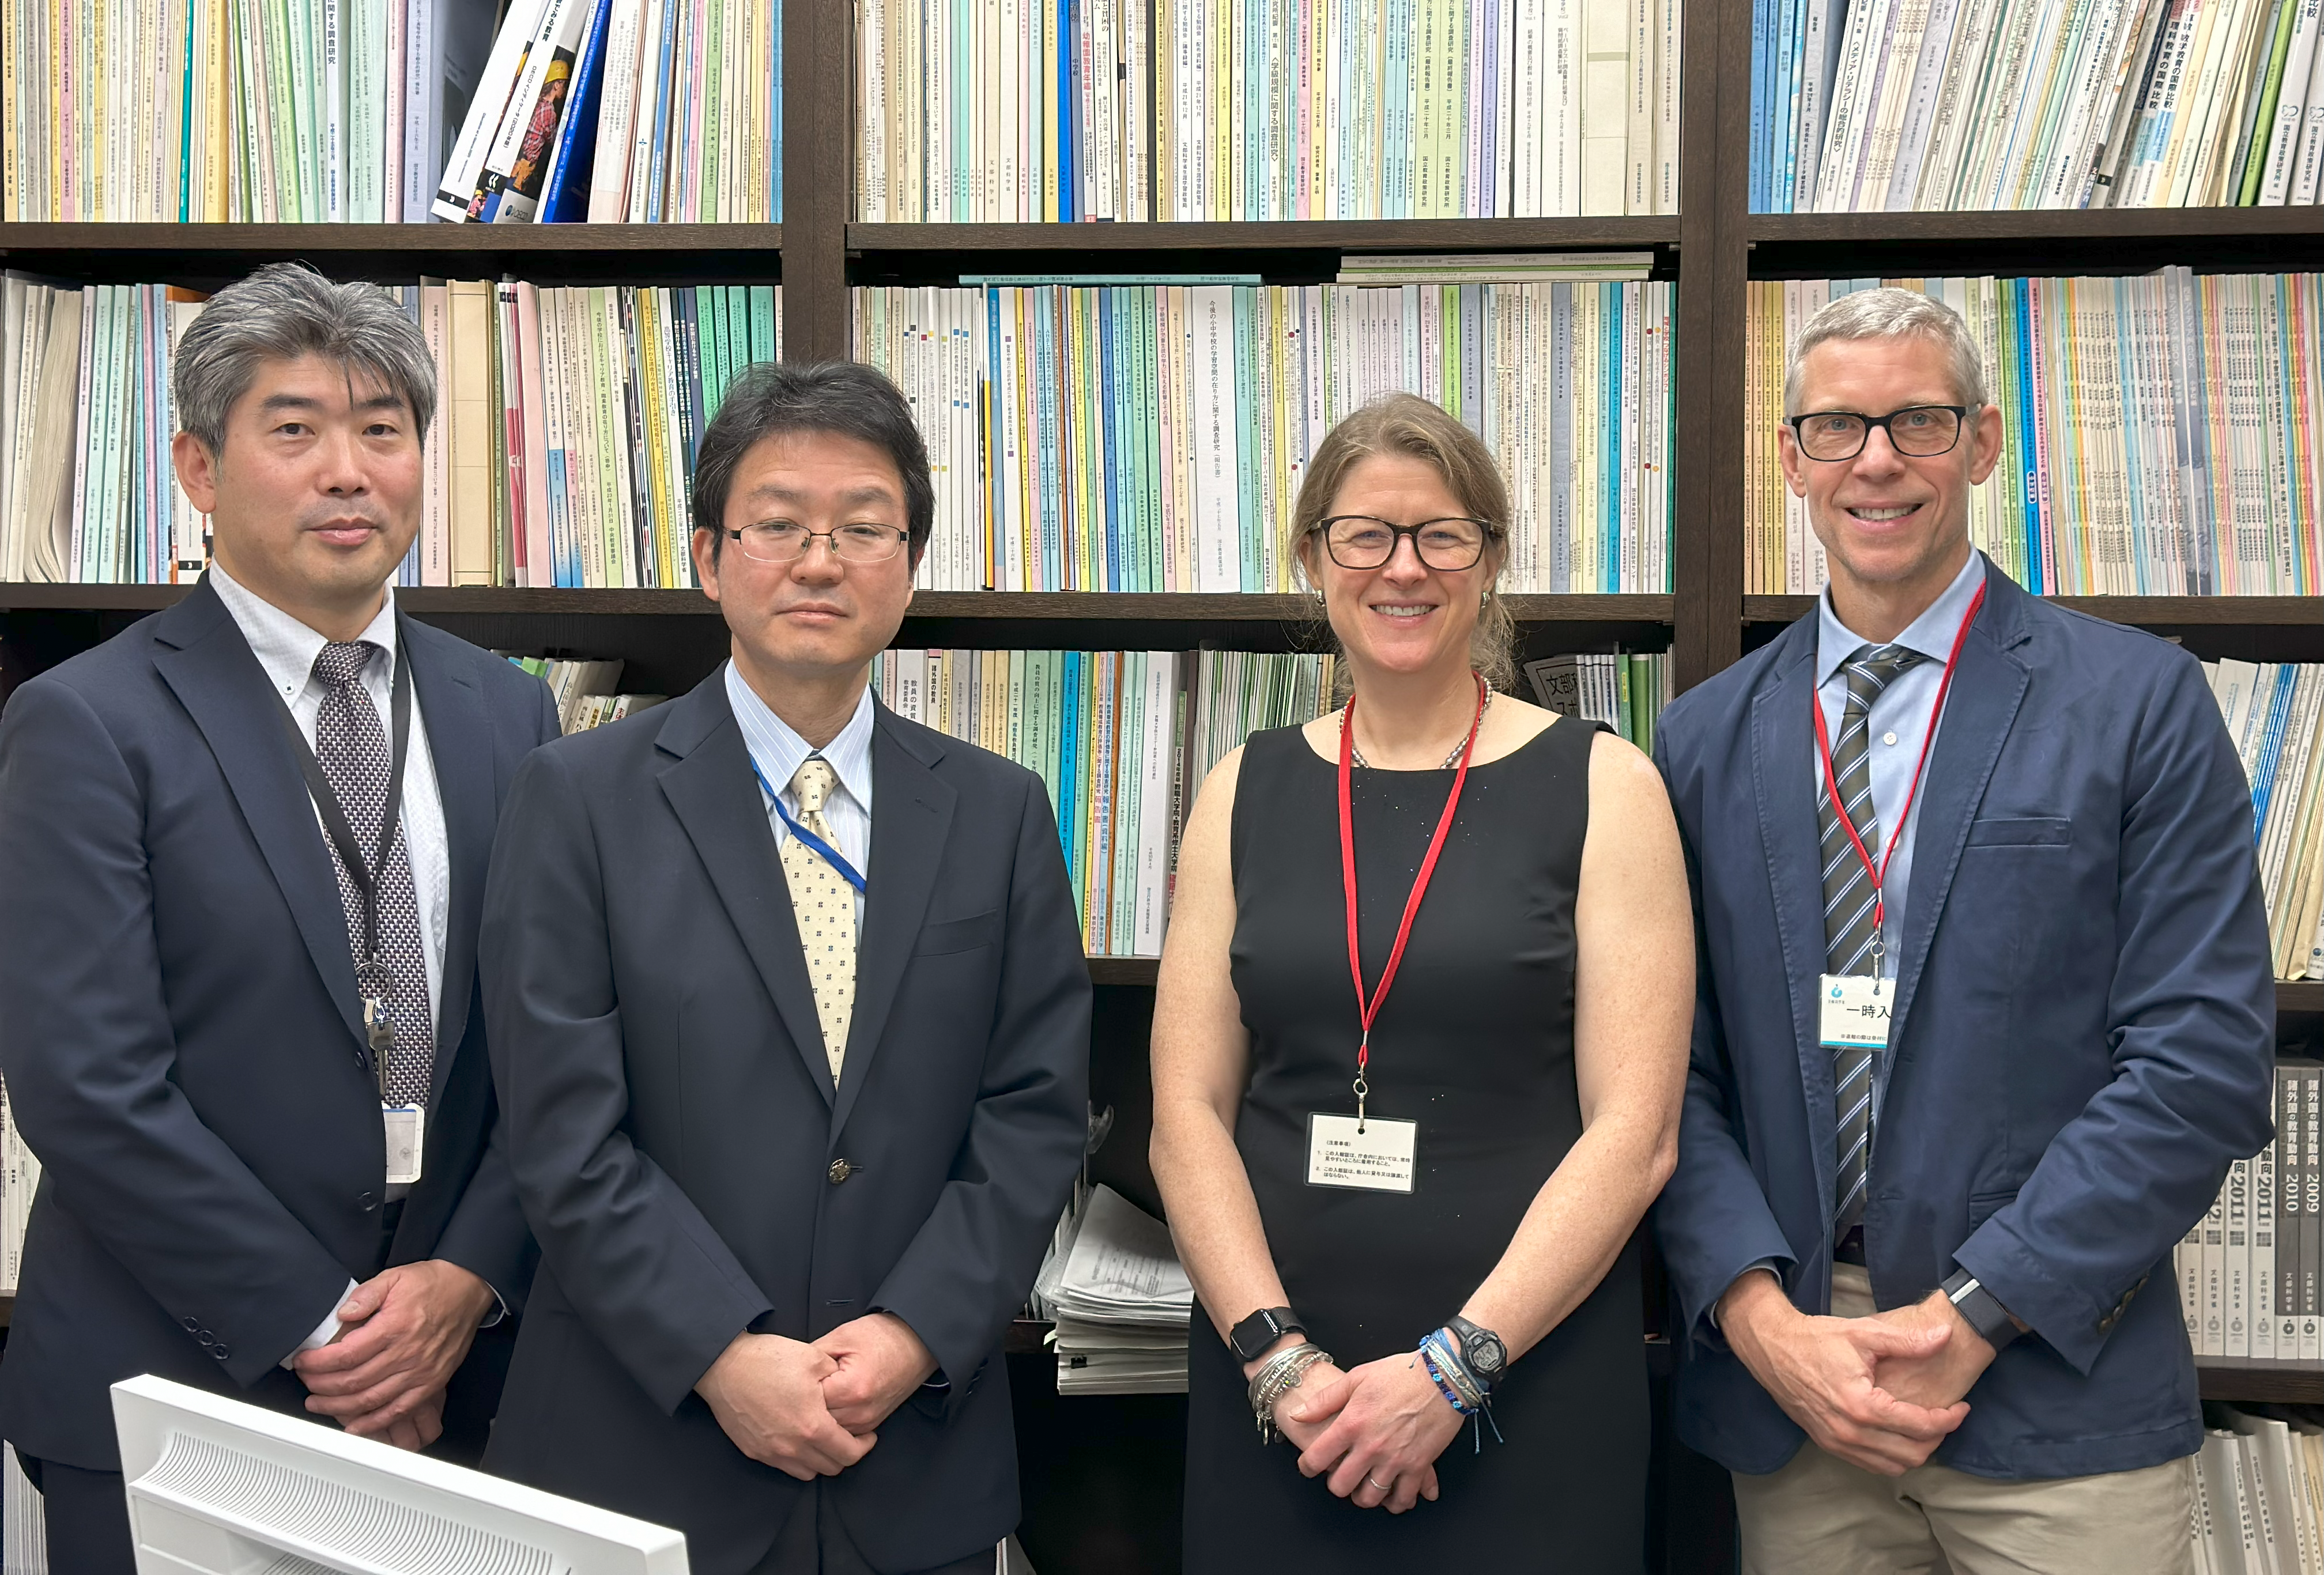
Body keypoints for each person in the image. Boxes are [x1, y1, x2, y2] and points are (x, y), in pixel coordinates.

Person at [1651, 286, 2277, 1574]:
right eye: (1837, 426)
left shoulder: (2138, 705)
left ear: (1984, 444)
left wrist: (1979, 1314)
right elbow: (1670, 1079)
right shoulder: (1704, 738)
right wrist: (1764, 1323)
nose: (1876, 460)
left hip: (2053, 1381)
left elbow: (2201, 1060)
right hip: (1798, 1394)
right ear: (1791, 458)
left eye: (1917, 421)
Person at [478, 361, 1092, 1575]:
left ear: (909, 566)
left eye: (865, 527)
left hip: (909, 1455)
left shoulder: (998, 809)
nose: (822, 561)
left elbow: (1033, 1112)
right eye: (778, 526)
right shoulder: (579, 797)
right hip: (641, 1448)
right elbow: (560, 1129)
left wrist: (916, 1332)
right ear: (711, 557)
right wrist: (723, 1352)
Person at [0, 263, 560, 1572]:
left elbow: (554, 1048)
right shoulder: (89, 722)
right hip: (177, 1383)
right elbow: (85, 1086)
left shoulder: (507, 714)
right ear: (199, 469)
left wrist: (463, 1284)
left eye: (383, 430)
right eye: (294, 430)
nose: (348, 472)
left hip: (463, 1380)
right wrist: (331, 1329)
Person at [1149, 394, 1694, 1572]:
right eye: (1365, 535)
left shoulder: (1608, 787)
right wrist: (1280, 1365)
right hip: (1280, 1403)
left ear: (1491, 561)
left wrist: (1457, 1371)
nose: (1404, 568)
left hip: (1527, 1383)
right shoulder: (1242, 790)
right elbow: (1185, 1118)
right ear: (1313, 557)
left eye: (1443, 535)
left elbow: (1638, 1133)